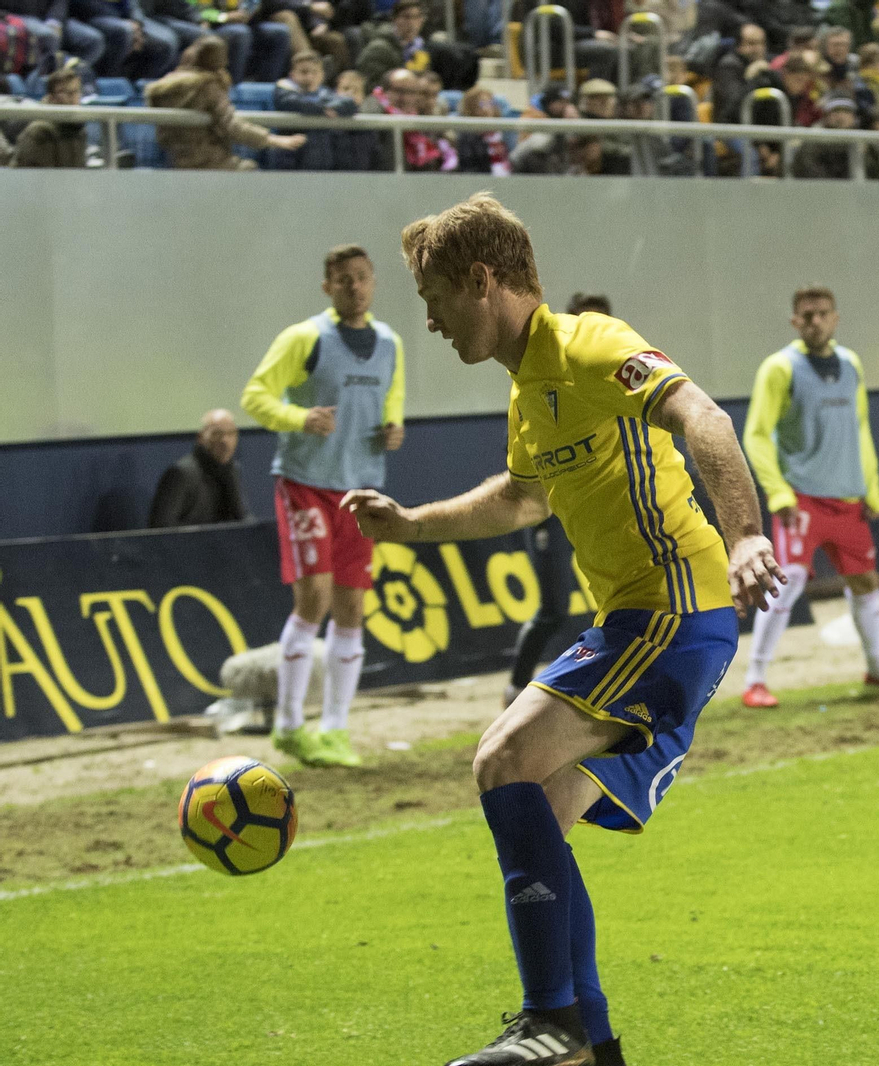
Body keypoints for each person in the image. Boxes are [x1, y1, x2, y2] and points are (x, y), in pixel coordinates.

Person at [342, 192, 782, 1066]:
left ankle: (553, 1022)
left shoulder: (589, 344)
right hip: (636, 620)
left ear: (483, 278)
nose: (427, 321)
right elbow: (521, 496)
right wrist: (410, 523)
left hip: (676, 611)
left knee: (502, 758)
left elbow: (707, 418)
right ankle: (596, 1043)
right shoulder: (527, 391)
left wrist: (747, 537)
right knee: (536, 805)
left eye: (433, 298)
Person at [240, 244, 405, 770]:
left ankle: (335, 727)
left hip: (361, 488)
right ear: (327, 287)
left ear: (373, 283)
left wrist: (394, 430)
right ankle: (289, 724)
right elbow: (256, 396)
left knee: (352, 606)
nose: (354, 287)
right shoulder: (305, 338)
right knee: (313, 597)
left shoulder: (390, 344)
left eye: (361, 277)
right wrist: (299, 418)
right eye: (343, 279)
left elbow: (392, 403)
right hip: (307, 482)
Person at [741, 285, 879, 708]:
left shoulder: (850, 363)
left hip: (849, 499)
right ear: (794, 322)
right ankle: (754, 680)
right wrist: (779, 494)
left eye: (822, 313)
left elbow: (860, 429)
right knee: (789, 580)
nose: (815, 321)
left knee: (865, 582)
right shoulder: (780, 369)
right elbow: (756, 434)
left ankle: (877, 671)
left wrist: (870, 488)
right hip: (802, 498)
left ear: (835, 318)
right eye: (807, 315)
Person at [501, 290, 613, 709]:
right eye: (586, 321)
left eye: (601, 322)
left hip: (596, 514)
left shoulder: (615, 384)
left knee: (616, 606)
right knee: (553, 611)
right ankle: (515, 688)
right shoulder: (537, 383)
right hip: (550, 513)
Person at [144, 34, 303, 168]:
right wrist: (272, 139)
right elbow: (231, 125)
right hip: (208, 161)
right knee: (252, 176)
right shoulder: (207, 86)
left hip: (175, 161)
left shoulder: (167, 84)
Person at [148, 408, 252, 527]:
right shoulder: (181, 473)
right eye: (217, 434)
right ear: (201, 437)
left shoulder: (232, 470)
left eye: (231, 433)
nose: (225, 441)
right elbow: (162, 527)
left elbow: (244, 518)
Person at [10, 65, 88, 167]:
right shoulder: (39, 132)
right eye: (66, 92)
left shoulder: (80, 131)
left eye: (76, 91)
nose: (73, 98)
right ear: (51, 98)